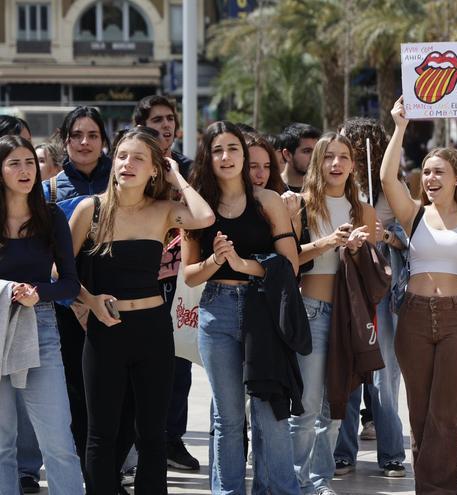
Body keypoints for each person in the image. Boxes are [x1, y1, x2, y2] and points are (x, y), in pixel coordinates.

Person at [68, 127, 213, 493]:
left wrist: (176, 173)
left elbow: (204, 216)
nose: (127, 163)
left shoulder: (164, 211)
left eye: (138, 158)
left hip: (152, 329)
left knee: (151, 433)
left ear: (154, 170)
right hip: (106, 330)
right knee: (101, 432)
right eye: (121, 155)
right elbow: (61, 273)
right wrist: (90, 301)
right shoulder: (90, 209)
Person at [382, 97, 457, 493]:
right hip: (414, 317)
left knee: (445, 414)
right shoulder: (414, 213)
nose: (431, 178)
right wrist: (399, 127)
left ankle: (441, 491)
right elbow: (388, 179)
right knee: (420, 415)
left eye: (440, 172)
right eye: (427, 172)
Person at [181, 121, 300, 494]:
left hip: (260, 309)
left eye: (233, 148)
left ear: (244, 154)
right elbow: (189, 275)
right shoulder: (199, 210)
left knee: (269, 411)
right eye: (217, 150)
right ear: (207, 157)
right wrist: (218, 261)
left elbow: (290, 264)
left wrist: (244, 263)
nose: (226, 157)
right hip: (216, 311)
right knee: (228, 418)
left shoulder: (267, 201)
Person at [289, 131, 377, 495]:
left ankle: (320, 480)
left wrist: (358, 250)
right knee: (307, 407)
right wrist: (328, 242)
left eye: (343, 157)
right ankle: (297, 480)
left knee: (337, 406)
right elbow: (288, 259)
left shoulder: (364, 211)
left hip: (348, 317)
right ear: (317, 163)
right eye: (328, 157)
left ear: (354, 165)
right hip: (309, 310)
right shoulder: (300, 205)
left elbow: (372, 274)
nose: (336, 163)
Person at [0, 136, 84, 494]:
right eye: (14, 163)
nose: (24, 170)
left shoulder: (51, 216)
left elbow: (69, 284)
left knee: (57, 440)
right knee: (2, 444)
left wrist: (38, 292)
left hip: (42, 325)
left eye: (29, 163)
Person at [38, 106, 112, 484]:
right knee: (76, 397)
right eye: (77, 136)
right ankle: (89, 477)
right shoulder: (48, 190)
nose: (85, 143)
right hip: (67, 310)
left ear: (103, 141)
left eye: (93, 135)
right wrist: (79, 302)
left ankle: (110, 473)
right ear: (65, 142)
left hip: (117, 303)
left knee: (121, 397)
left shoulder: (122, 182)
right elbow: (41, 254)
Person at [332, 116, 407, 479]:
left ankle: (392, 451)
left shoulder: (389, 184)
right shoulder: (336, 184)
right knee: (346, 370)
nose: (342, 155)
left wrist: (387, 235)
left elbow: (411, 229)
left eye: (349, 145)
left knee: (384, 374)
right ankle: (343, 451)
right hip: (345, 286)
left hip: (379, 288)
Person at [132, 94, 201, 473]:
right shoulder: (131, 167)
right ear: (142, 125)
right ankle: (140, 442)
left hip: (180, 281)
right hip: (138, 280)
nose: (166, 125)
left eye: (170, 119)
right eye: (157, 119)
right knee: (138, 365)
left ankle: (172, 438)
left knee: (180, 362)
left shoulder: (189, 169)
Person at [280, 123, 321, 193]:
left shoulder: (321, 188)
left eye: (316, 151)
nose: (314, 156)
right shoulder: (272, 188)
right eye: (307, 151)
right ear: (287, 155)